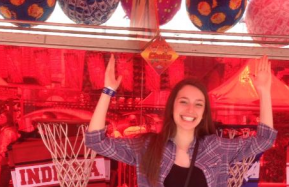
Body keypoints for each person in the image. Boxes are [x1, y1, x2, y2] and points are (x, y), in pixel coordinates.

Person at [85, 55, 277, 187]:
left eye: (198, 104)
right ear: (173, 107)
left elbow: (264, 140)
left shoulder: (216, 148)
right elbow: (96, 141)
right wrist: (108, 91)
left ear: (204, 113)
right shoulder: (148, 147)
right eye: (183, 102)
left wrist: (264, 92)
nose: (190, 110)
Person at [0, 111, 18, 187]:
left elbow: (2, 151)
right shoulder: (6, 131)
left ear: (8, 120)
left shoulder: (7, 132)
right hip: (9, 164)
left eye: (2, 117)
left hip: (7, 165)